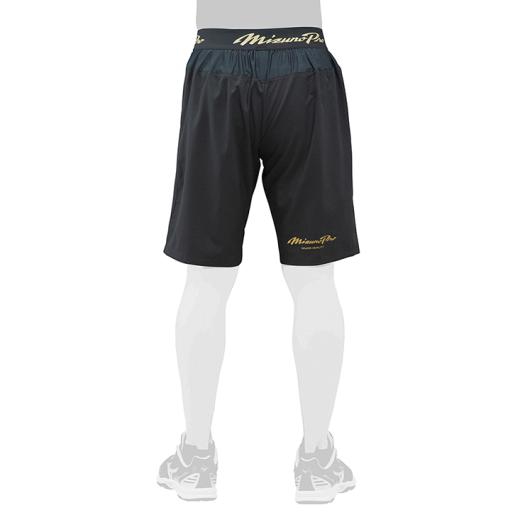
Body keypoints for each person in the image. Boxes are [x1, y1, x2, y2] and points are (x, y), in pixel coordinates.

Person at [157, 0, 359, 504]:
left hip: (219, 59)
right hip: (302, 65)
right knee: (314, 278)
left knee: (205, 278)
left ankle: (196, 458)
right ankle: (316, 461)